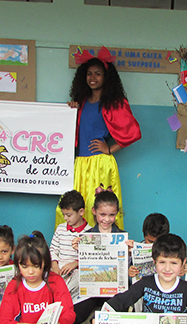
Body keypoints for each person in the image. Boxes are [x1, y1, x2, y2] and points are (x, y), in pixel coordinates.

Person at [55, 46, 141, 230]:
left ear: (106, 77)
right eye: (89, 73)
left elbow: (133, 133)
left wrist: (109, 149)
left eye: (98, 73)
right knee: (76, 207)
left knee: (102, 210)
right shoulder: (82, 102)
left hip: (101, 164)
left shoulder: (114, 103)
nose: (92, 77)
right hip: (79, 164)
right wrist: (71, 111)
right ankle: (74, 248)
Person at [71, 190, 125, 324]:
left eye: (112, 215)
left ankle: (98, 320)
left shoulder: (123, 237)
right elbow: (85, 265)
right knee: (76, 316)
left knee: (118, 310)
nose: (107, 219)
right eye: (103, 214)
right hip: (92, 289)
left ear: (117, 213)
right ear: (94, 211)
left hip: (114, 290)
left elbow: (126, 271)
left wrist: (129, 254)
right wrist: (79, 249)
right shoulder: (86, 236)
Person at [50, 190, 91, 300]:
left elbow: (91, 258)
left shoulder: (90, 233)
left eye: (68, 215)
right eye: (63, 215)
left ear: (81, 212)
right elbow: (53, 250)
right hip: (58, 270)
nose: (65, 218)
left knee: (78, 281)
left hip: (76, 272)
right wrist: (54, 266)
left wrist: (76, 263)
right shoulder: (61, 229)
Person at [128, 213, 170, 279]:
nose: (154, 245)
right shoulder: (136, 250)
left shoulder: (173, 249)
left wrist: (182, 269)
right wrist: (131, 271)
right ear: (143, 232)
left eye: (158, 242)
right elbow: (129, 268)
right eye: (150, 241)